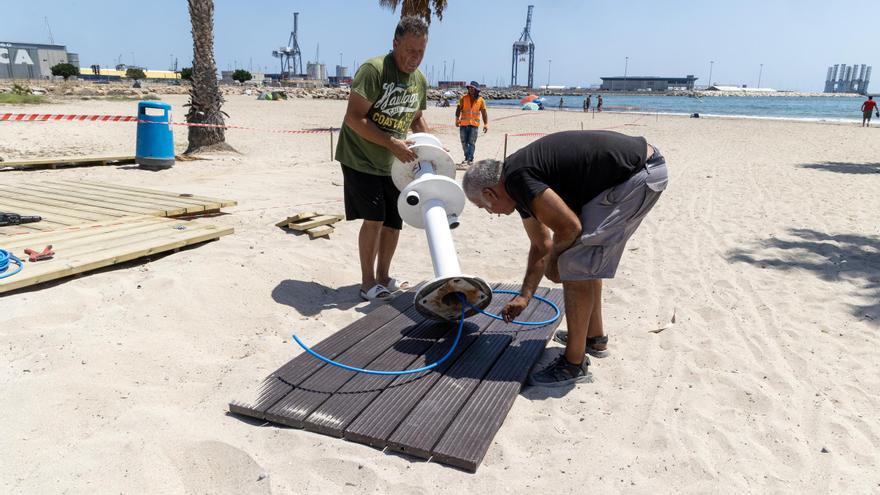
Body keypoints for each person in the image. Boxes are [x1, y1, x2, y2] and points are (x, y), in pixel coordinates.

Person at [461, 131, 668, 387]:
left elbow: (569, 228)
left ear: (491, 193)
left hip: (640, 173)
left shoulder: (519, 179)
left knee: (575, 262)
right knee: (583, 259)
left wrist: (556, 263)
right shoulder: (518, 187)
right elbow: (541, 244)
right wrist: (524, 296)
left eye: (484, 207)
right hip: (633, 170)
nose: (491, 213)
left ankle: (574, 364)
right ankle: (594, 338)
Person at [335, 16, 430, 301]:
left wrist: (431, 149)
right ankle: (367, 284)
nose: (415, 58)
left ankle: (384, 277)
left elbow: (417, 120)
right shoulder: (374, 70)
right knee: (375, 218)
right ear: (395, 44)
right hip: (360, 157)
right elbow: (354, 118)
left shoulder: (419, 80)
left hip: (395, 163)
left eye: (421, 52)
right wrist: (391, 144)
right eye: (410, 51)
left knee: (393, 221)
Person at [455, 81, 489, 168]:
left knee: (471, 142)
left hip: (474, 125)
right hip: (463, 124)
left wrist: (486, 124)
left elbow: (484, 113)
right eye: (469, 88)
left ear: (476, 90)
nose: (470, 89)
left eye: (472, 88)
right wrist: (456, 119)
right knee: (464, 142)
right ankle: (467, 157)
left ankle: (469, 159)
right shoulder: (463, 98)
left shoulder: (481, 100)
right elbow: (458, 109)